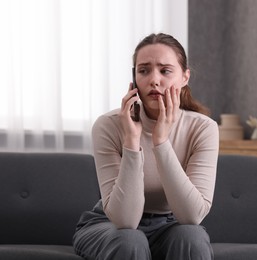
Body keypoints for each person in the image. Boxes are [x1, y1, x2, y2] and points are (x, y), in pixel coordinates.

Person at [73, 33, 219, 260]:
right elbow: (125, 221)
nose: (154, 80)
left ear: (185, 77)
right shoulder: (108, 125)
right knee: (131, 240)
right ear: (134, 78)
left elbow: (191, 216)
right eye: (144, 70)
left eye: (165, 70)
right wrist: (132, 142)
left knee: (192, 238)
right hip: (109, 225)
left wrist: (161, 142)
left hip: (170, 225)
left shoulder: (203, 128)